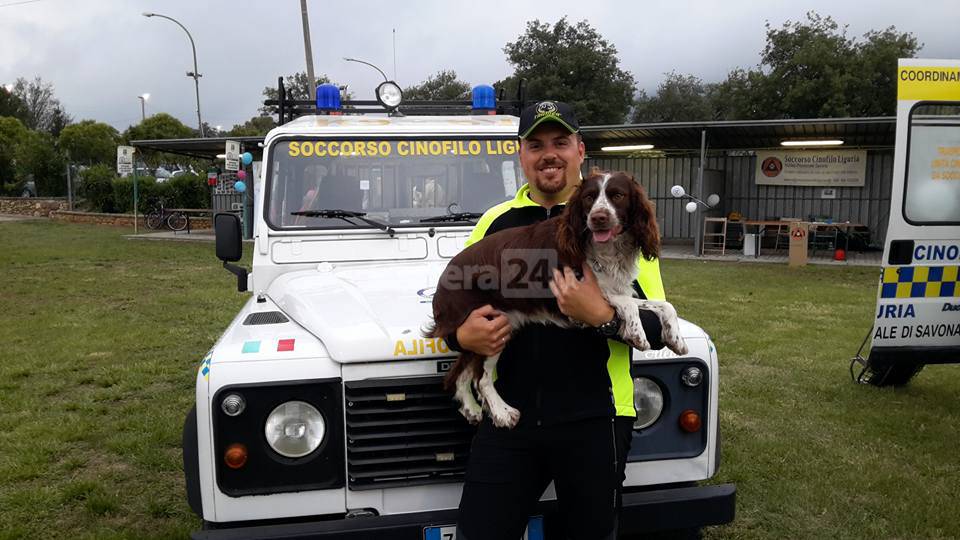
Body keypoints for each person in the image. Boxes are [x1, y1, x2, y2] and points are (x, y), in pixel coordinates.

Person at [447, 101, 668, 539]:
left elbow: (657, 329)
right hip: (510, 422)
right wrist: (460, 336)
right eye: (536, 144)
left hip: (597, 417)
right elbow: (462, 298)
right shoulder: (494, 224)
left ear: (579, 150)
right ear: (521, 155)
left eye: (561, 142)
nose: (549, 154)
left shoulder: (620, 229)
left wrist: (602, 315)